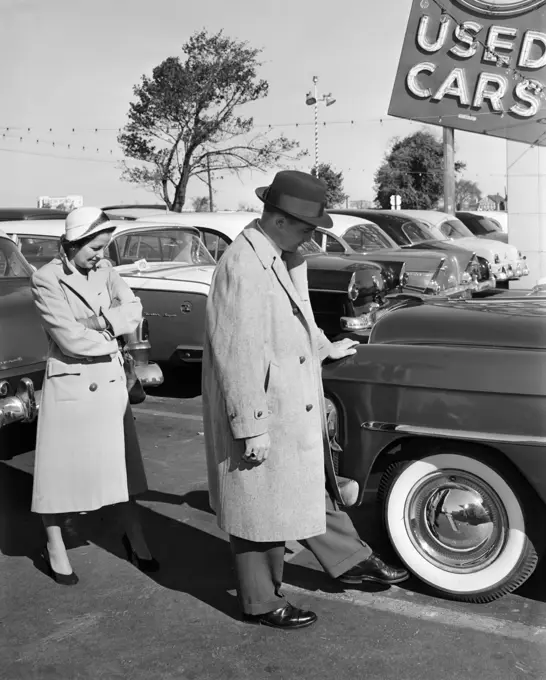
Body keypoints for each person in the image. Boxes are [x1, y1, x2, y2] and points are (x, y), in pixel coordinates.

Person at [202, 170, 408, 631]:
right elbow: (236, 353)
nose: (312, 236)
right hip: (262, 409)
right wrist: (250, 425)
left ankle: (350, 560)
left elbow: (293, 324)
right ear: (278, 220)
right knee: (257, 508)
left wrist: (324, 347)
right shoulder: (244, 265)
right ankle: (259, 601)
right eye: (307, 227)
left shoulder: (276, 255)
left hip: (285, 404)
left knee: (302, 489)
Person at [30, 206, 159, 585]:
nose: (101, 256)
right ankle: (54, 542)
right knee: (59, 474)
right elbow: (69, 339)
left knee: (120, 471)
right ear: (72, 243)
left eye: (104, 248)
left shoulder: (106, 271)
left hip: (109, 383)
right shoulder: (46, 278)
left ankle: (134, 535)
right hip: (71, 384)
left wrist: (99, 322)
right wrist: (109, 328)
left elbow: (133, 310)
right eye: (95, 248)